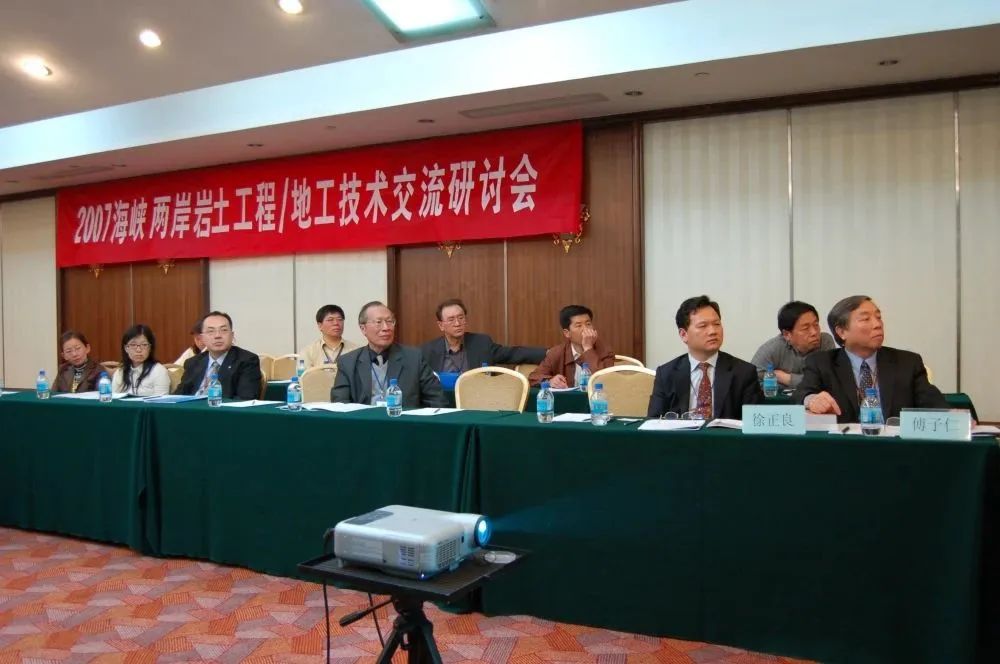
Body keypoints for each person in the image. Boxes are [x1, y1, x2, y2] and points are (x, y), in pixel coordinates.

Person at [794, 295, 946, 421]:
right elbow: (800, 395)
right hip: (845, 444)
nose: (877, 324)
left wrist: (953, 417)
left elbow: (935, 405)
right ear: (842, 332)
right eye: (866, 319)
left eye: (878, 317)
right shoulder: (822, 363)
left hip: (895, 445)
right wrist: (811, 400)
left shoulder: (907, 362)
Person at [647, 295, 763, 419]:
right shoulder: (666, 374)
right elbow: (654, 421)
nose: (713, 331)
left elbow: (754, 422)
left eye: (717, 324)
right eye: (703, 326)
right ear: (683, 334)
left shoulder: (744, 373)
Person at [332, 301, 446, 408]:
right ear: (363, 329)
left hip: (403, 420)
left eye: (390, 321)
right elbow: (340, 404)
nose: (386, 328)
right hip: (363, 421)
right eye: (378, 322)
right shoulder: (348, 362)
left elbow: (437, 400)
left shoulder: (414, 358)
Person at [421, 298, 545, 373]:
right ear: (441, 325)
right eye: (451, 320)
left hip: (475, 402)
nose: (457, 323)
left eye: (461, 318)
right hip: (442, 404)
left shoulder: (481, 343)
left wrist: (548, 353)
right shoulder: (428, 351)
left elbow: (512, 354)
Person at [175, 311, 262, 400]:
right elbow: (178, 396)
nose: (217, 336)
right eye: (211, 331)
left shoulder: (247, 360)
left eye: (223, 330)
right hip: (191, 407)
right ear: (202, 338)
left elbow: (246, 398)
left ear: (232, 335)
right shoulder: (193, 362)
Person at [750, 301, 837, 388]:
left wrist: (784, 377)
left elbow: (830, 380)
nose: (814, 332)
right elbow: (751, 379)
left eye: (816, 325)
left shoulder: (825, 341)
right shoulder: (773, 348)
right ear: (787, 334)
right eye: (806, 328)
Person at [529, 305, 615, 388]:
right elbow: (533, 377)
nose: (585, 329)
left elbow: (605, 381)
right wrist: (550, 381)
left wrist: (588, 349)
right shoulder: (557, 352)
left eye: (588, 324)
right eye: (579, 325)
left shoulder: (605, 351)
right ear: (567, 333)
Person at [112, 324, 171, 397]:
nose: (138, 350)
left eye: (144, 345)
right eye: (133, 345)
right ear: (126, 348)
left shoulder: (159, 371)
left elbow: (162, 401)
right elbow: (114, 399)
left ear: (150, 348)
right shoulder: (120, 372)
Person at [299, 304, 358, 369]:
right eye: (330, 320)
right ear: (320, 325)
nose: (336, 323)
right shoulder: (308, 352)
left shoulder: (355, 350)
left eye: (339, 319)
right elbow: (303, 375)